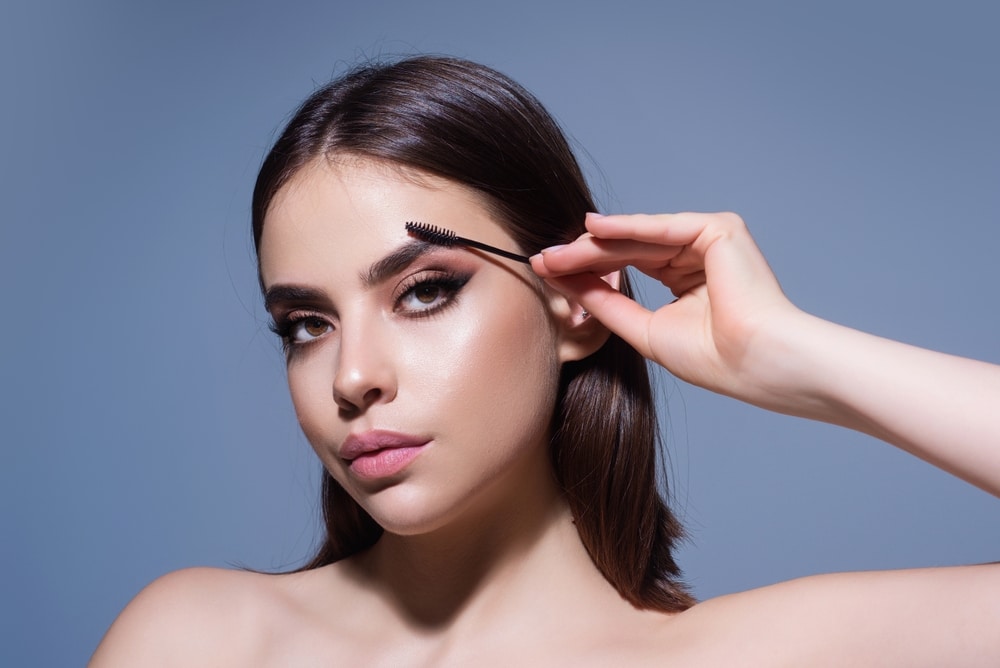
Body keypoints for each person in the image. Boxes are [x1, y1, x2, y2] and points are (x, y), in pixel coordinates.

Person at [90, 56, 1000, 666]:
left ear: (572, 302)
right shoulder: (201, 638)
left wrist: (793, 355)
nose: (351, 377)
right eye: (305, 323)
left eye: (424, 291)